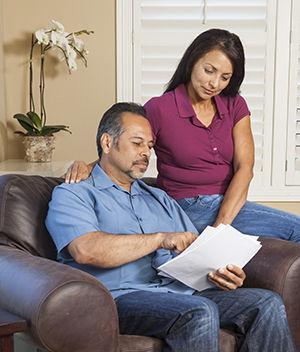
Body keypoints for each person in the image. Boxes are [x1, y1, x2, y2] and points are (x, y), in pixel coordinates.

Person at [46, 102, 299, 352]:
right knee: (197, 311)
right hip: (115, 299)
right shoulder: (75, 193)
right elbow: (86, 249)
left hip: (177, 293)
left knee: (266, 303)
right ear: (107, 143)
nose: (146, 153)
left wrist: (219, 272)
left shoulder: (159, 198)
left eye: (149, 146)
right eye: (137, 143)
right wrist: (159, 239)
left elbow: (192, 250)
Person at [65, 28, 300, 243]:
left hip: (228, 204)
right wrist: (90, 167)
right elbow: (128, 146)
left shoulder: (235, 105)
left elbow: (245, 167)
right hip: (185, 206)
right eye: (209, 70)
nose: (215, 83)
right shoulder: (161, 108)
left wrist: (219, 230)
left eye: (225, 77)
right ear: (191, 63)